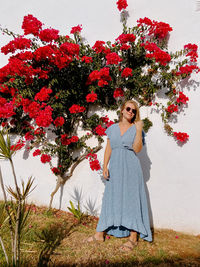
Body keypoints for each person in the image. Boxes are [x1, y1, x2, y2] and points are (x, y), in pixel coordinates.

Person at [84, 100, 152, 251]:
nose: (130, 112)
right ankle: (99, 234)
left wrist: (139, 130)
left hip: (131, 168)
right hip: (115, 167)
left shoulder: (136, 128)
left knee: (131, 199)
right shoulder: (112, 128)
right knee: (110, 197)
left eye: (134, 111)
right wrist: (105, 166)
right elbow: (109, 148)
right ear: (122, 110)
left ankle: (133, 237)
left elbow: (138, 149)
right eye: (128, 109)